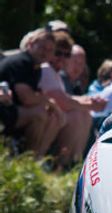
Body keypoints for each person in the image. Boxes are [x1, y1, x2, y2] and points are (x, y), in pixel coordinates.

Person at [38, 31, 106, 168]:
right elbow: (62, 101)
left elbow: (65, 98)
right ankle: (59, 163)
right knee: (76, 116)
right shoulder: (46, 69)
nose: (62, 58)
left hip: (50, 115)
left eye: (67, 55)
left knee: (83, 114)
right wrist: (90, 104)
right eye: (58, 53)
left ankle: (74, 162)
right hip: (44, 115)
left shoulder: (55, 73)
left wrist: (89, 102)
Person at [0, 28, 64, 161]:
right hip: (4, 110)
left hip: (11, 109)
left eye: (50, 50)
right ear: (30, 44)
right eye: (42, 47)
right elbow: (26, 98)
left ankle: (38, 159)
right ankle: (28, 161)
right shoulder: (21, 62)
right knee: (39, 114)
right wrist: (50, 103)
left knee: (49, 115)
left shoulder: (36, 67)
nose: (45, 52)